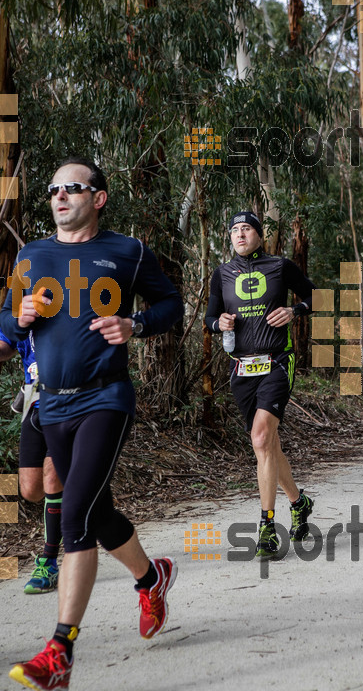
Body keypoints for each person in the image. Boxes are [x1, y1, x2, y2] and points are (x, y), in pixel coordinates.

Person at [0, 158, 183, 690]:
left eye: (72, 188)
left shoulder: (127, 252)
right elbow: (6, 321)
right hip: (50, 404)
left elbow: (171, 302)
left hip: (106, 397)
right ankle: (152, 578)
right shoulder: (32, 256)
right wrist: (18, 318)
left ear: (98, 198)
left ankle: (60, 651)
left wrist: (137, 323)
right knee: (97, 511)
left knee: (75, 509)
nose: (59, 196)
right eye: (54, 189)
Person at [205, 211, 315, 560]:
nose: (240, 234)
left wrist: (295, 310)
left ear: (258, 234)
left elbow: (318, 296)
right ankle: (299, 502)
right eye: (234, 229)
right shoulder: (221, 274)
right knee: (268, 446)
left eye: (246, 228)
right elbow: (210, 317)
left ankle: (267, 528)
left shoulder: (280, 266)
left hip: (277, 361)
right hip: (242, 368)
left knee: (261, 438)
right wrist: (217, 322)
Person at [0, 331, 64, 593]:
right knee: (30, 489)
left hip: (68, 400)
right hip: (33, 400)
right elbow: (6, 346)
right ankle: (77, 494)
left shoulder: (70, 297)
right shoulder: (20, 304)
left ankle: (48, 561)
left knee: (52, 477)